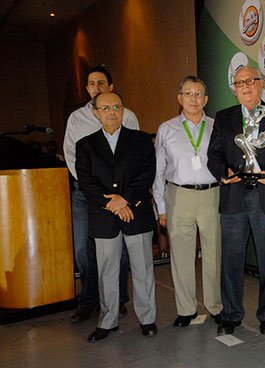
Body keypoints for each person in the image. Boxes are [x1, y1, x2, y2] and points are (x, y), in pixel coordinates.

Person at [207, 66, 265, 336]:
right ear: (234, 88)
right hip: (234, 197)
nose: (245, 86)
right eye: (239, 82)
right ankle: (231, 314)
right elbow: (214, 155)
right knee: (231, 260)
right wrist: (224, 173)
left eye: (250, 81)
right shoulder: (223, 117)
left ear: (260, 83)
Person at [76, 92, 157, 342]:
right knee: (107, 270)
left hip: (136, 211)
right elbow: (86, 182)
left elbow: (147, 173)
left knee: (143, 268)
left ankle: (148, 319)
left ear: (123, 110)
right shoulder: (85, 145)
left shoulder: (141, 140)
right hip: (104, 217)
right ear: (96, 112)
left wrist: (125, 199)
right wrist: (111, 203)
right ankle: (108, 321)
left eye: (116, 107)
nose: (111, 112)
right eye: (105, 108)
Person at [63, 66, 136, 323]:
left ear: (111, 86)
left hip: (121, 196)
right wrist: (95, 189)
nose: (97, 87)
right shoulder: (76, 119)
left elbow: (134, 155)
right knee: (84, 249)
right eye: (91, 83)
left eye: (101, 82)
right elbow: (72, 158)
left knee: (121, 249)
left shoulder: (127, 116)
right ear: (87, 89)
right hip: (86, 194)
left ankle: (119, 299)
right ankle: (90, 300)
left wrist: (117, 195)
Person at [153, 76, 222, 328]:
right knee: (181, 254)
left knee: (213, 252)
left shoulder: (217, 126)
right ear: (179, 98)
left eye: (198, 94)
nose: (193, 99)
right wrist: (160, 208)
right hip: (178, 195)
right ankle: (186, 309)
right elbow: (158, 171)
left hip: (211, 194)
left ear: (205, 99)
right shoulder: (166, 129)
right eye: (188, 93)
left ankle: (215, 306)